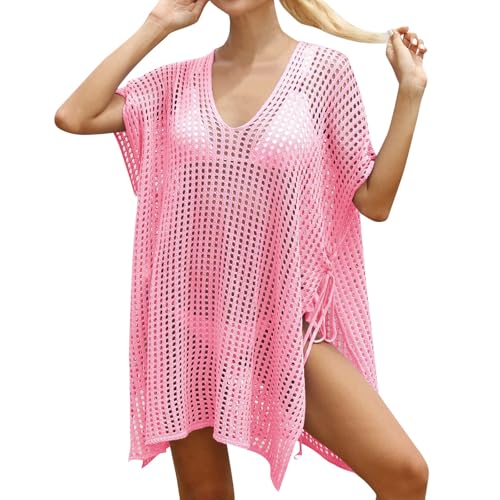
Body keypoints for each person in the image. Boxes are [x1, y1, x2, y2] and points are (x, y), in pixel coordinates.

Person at [54, 0, 429, 498]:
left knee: (403, 473)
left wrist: (410, 93)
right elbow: (75, 115)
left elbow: (374, 200)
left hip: (279, 323)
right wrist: (158, 24)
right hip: (184, 325)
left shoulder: (324, 72)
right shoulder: (178, 83)